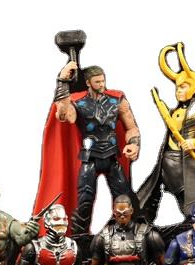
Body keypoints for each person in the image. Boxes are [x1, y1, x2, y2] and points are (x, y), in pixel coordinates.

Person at [53, 62, 141, 234]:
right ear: (88, 82)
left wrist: (134, 144)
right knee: (85, 201)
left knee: (124, 199)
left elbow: (132, 128)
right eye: (97, 82)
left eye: (103, 81)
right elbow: (63, 115)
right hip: (90, 158)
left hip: (112, 157)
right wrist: (62, 82)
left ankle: (127, 235)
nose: (102, 85)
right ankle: (80, 238)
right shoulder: (78, 103)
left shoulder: (117, 101)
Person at [138, 43, 195, 221]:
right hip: (166, 161)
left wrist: (194, 142)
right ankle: (142, 222)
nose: (178, 91)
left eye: (183, 87)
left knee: (189, 202)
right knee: (149, 195)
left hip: (186, 163)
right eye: (177, 87)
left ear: (194, 89)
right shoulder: (174, 112)